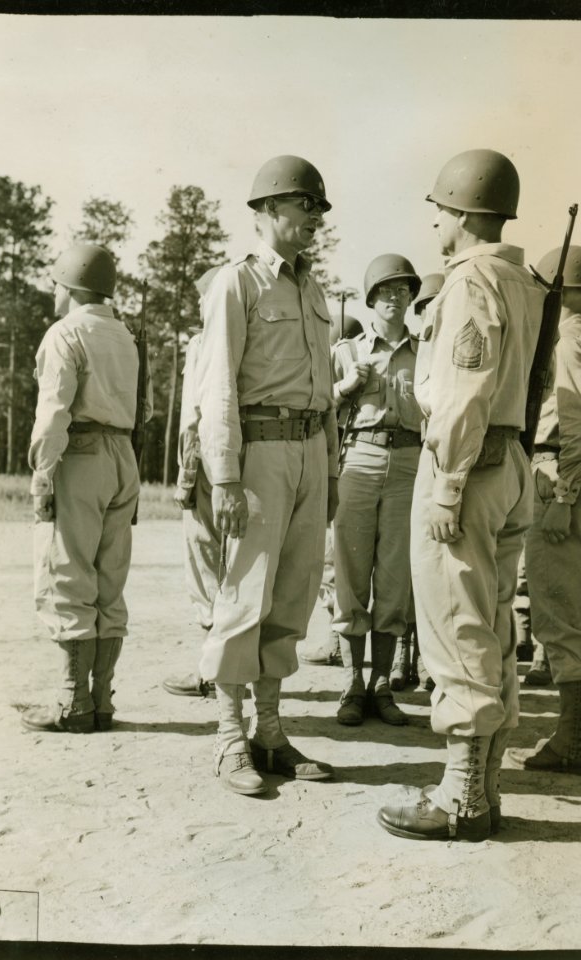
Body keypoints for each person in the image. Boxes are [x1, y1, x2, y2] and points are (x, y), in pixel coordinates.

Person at [377, 149, 545, 841]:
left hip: (466, 469)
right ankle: (485, 786)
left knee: (457, 626)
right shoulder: (524, 280)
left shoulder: (472, 282)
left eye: (440, 210)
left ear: (462, 213)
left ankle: (461, 799)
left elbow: (460, 393)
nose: (436, 222)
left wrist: (445, 485)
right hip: (507, 464)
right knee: (493, 624)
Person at [195, 155, 339, 795]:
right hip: (258, 454)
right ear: (270, 209)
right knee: (244, 594)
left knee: (292, 595)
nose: (315, 220)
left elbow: (327, 392)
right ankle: (230, 737)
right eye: (306, 207)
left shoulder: (312, 289)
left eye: (318, 210)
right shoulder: (238, 283)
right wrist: (223, 477)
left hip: (310, 451)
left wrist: (330, 469)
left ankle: (271, 731)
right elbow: (217, 386)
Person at [23, 243, 147, 734]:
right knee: (109, 580)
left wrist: (42, 476)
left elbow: (53, 414)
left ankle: (73, 703)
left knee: (67, 575)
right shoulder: (126, 335)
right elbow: (145, 409)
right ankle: (101, 701)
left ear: (71, 286)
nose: (53, 293)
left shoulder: (65, 333)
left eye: (56, 283)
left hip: (80, 455)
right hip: (123, 457)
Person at [513, 246, 581, 776]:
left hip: (565, 482)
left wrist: (561, 497)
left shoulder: (567, 339)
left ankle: (574, 743)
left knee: (564, 619)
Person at [331, 254, 422, 727]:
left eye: (404, 290)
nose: (396, 297)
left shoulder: (425, 352)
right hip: (359, 458)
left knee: (394, 577)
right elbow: (318, 408)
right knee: (350, 571)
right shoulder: (347, 351)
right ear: (370, 298)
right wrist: (346, 388)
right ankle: (351, 683)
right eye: (387, 290)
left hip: (410, 462)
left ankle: (382, 684)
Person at [162, 266, 223, 698]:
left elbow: (195, 418)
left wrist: (186, 473)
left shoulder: (204, 344)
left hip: (205, 465)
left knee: (205, 565)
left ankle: (212, 670)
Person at [299, 313, 363, 667]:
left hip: (341, 468)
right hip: (330, 468)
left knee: (333, 565)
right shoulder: (340, 373)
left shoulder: (348, 370)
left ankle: (338, 645)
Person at [391, 271, 444, 692]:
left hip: (438, 464)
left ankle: (428, 660)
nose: (429, 316)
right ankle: (402, 657)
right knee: (404, 572)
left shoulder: (445, 352)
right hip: (413, 462)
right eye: (423, 308)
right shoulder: (412, 354)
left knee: (431, 573)